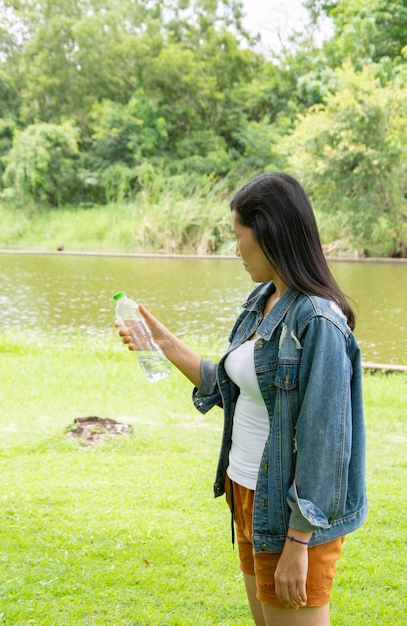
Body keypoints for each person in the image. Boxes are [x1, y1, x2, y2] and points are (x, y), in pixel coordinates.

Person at [116, 172, 367, 626]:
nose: (235, 251)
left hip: (290, 516)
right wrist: (160, 341)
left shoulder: (318, 322)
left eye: (238, 237)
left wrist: (299, 540)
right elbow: (230, 386)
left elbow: (325, 444)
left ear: (268, 231)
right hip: (247, 494)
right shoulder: (263, 299)